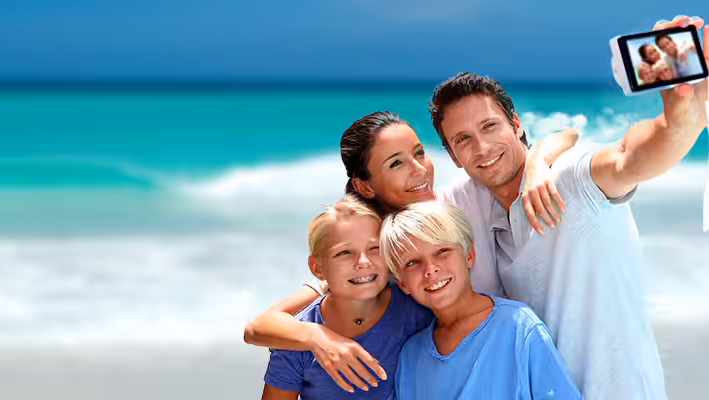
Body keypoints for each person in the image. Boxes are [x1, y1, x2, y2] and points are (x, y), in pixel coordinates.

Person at [425, 16, 709, 400]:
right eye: (463, 140)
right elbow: (392, 224)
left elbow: (628, 156)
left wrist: (681, 119)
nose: (482, 148)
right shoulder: (466, 201)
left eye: (490, 126)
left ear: (516, 124)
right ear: (452, 156)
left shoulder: (568, 176)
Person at [242, 112, 577, 393]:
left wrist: (537, 164)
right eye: (396, 163)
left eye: (419, 153)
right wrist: (319, 337)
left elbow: (567, 135)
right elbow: (260, 326)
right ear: (365, 186)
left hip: (506, 351)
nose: (419, 170)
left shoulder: (458, 200)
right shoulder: (365, 260)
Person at [380, 201, 580, 400]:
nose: (430, 269)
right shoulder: (410, 356)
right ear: (402, 283)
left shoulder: (519, 327)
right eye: (412, 263)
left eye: (442, 251)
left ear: (469, 255)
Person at [261, 196, 437, 400]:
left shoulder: (418, 309)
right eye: (344, 253)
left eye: (375, 249)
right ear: (317, 268)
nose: (363, 262)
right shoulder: (296, 340)